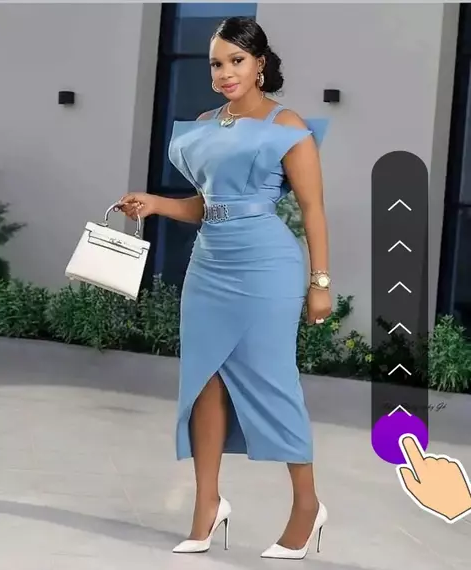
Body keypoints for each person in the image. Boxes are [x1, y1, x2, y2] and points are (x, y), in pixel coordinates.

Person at [118, 16, 332, 561]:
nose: (225, 72)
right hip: (209, 266)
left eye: (236, 60)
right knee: (203, 385)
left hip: (267, 267)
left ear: (259, 64)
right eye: (216, 63)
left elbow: (313, 210)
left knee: (275, 382)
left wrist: (320, 282)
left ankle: (307, 506)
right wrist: (155, 203)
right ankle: (207, 507)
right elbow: (208, 206)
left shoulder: (287, 125)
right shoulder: (205, 125)